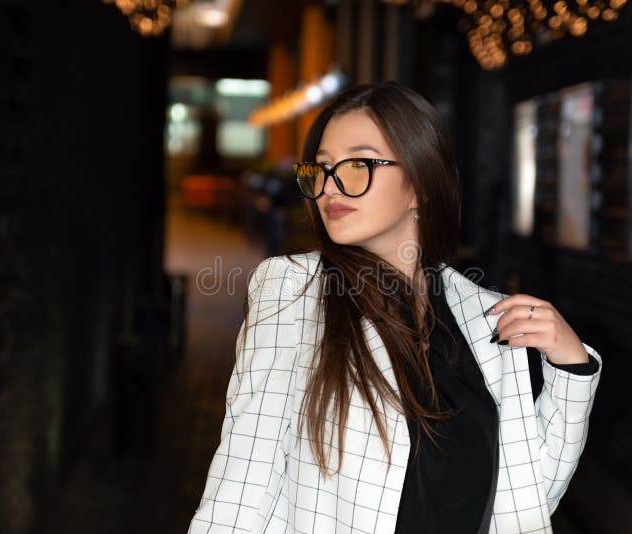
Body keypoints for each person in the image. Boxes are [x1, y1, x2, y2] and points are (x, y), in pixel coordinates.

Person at [187, 81, 601, 534]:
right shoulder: (292, 290)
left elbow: (526, 500)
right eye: (322, 168)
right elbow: (245, 480)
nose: (331, 186)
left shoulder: (488, 316)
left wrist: (571, 369)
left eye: (359, 164)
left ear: (419, 185)